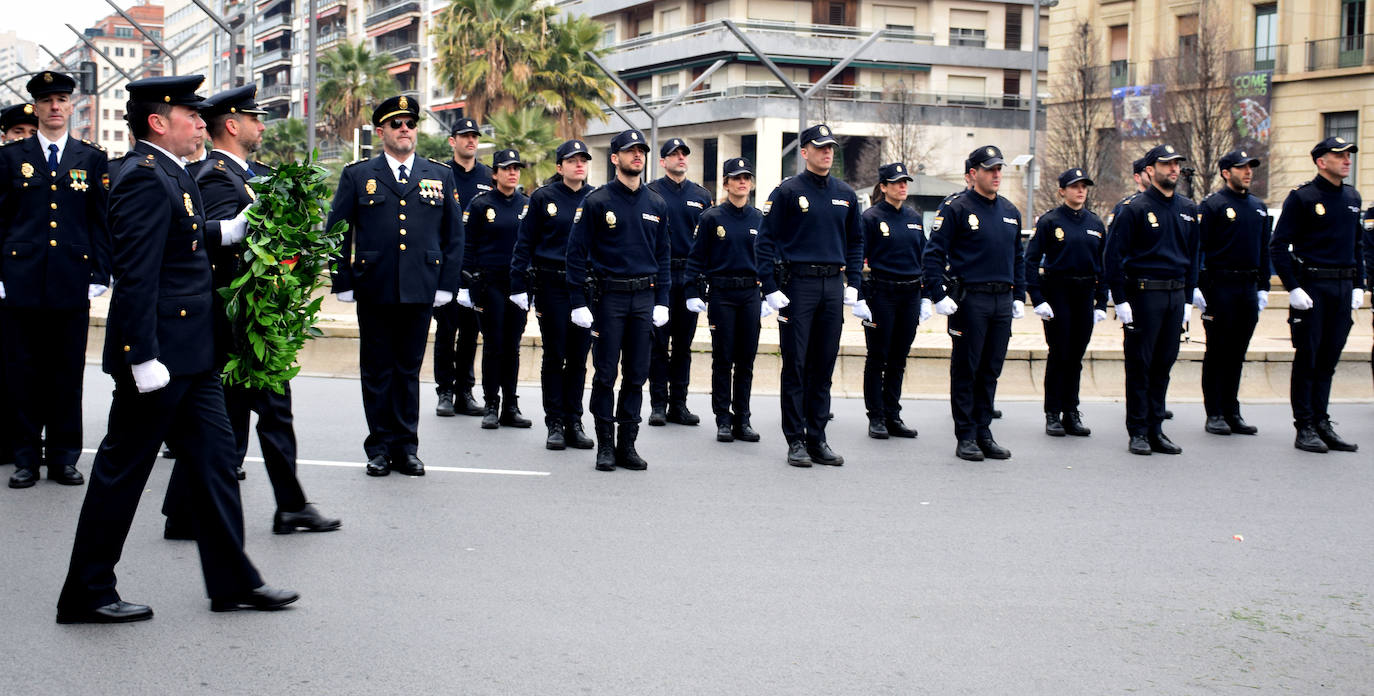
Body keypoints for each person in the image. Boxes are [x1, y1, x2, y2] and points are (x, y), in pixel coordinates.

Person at [57, 75, 297, 623]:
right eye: (190, 114)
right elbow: (136, 274)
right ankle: (87, 591)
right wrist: (141, 357)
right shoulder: (143, 177)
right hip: (161, 359)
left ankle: (233, 581)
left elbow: (182, 242)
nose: (199, 123)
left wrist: (228, 233)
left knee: (215, 467)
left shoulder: (172, 173)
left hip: (195, 355)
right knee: (122, 473)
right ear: (158, 122)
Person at [160, 84, 339, 537]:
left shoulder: (249, 173)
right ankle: (289, 507)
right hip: (237, 320)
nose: (263, 126)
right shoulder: (217, 177)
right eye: (256, 118)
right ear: (234, 125)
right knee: (262, 412)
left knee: (228, 418)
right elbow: (222, 251)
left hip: (249, 318)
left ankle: (186, 512)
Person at [326, 96, 463, 477]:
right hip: (375, 286)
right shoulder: (358, 175)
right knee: (376, 370)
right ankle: (379, 448)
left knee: (407, 370)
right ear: (381, 131)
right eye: (397, 123)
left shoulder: (439, 175)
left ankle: (407, 447)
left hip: (421, 287)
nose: (405, 129)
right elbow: (338, 230)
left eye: (411, 123)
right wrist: (343, 279)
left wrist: (445, 284)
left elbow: (454, 235)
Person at [0, 71, 111, 488]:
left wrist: (100, 273)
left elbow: (100, 220)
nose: (54, 106)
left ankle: (64, 456)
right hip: (20, 279)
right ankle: (26, 457)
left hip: (70, 278)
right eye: (47, 100)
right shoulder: (11, 157)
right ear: (36, 105)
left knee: (66, 372)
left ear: (71, 105)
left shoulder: (90, 157)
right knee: (22, 371)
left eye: (62, 99)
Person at [756, 124, 863, 467]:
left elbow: (856, 241)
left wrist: (855, 282)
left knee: (824, 365)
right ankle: (796, 440)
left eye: (830, 147)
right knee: (797, 364)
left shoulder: (846, 193)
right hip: (797, 285)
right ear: (804, 152)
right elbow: (765, 241)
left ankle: (818, 438)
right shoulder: (787, 191)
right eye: (819, 147)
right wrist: (770, 287)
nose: (827, 152)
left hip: (832, 285)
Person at [566, 128, 670, 471]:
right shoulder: (597, 201)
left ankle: (628, 445)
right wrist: (577, 300)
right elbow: (576, 254)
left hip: (644, 297)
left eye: (641, 150)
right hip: (608, 297)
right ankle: (605, 447)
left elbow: (664, 255)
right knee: (605, 375)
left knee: (637, 374)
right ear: (615, 158)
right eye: (630, 151)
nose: (637, 155)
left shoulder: (656, 202)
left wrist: (663, 301)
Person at [923, 145, 1025, 461]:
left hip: (1001, 299)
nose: (997, 174)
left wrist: (1019, 296)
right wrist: (938, 294)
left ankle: (984, 431)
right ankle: (965, 435)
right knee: (967, 369)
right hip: (971, 299)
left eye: (999, 169)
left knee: (990, 370)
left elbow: (1018, 258)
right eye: (990, 169)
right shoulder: (957, 208)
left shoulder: (1010, 211)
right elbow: (933, 254)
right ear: (972, 174)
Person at [1104, 144, 1200, 456]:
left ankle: (1157, 427)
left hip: (1174, 295)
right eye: (1166, 164)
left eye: (1176, 164)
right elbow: (1113, 256)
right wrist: (1120, 300)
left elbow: (1193, 256)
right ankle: (1139, 430)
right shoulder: (1134, 208)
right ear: (1149, 170)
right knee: (1140, 365)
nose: (1173, 169)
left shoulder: (1187, 208)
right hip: (1144, 295)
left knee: (1163, 364)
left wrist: (1188, 298)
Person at [1270, 136, 1363, 454]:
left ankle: (1322, 422)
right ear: (1321, 161)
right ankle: (1305, 425)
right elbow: (1279, 245)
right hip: (1314, 287)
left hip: (1341, 287)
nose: (1347, 160)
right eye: (1339, 155)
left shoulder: (1352, 197)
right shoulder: (1303, 197)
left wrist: (1359, 285)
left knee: (1328, 361)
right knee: (1308, 359)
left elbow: (1357, 245)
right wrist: (1293, 286)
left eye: (1349, 155)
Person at [509, 138, 595, 450]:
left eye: (583, 159)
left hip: (584, 287)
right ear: (560, 167)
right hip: (551, 284)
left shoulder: (595, 198)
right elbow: (525, 243)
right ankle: (555, 422)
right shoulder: (543, 197)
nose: (579, 164)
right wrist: (518, 284)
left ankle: (574, 419)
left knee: (578, 358)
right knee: (555, 354)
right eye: (572, 160)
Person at [684, 156, 767, 443]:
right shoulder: (711, 218)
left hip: (750, 295)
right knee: (723, 358)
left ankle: (742, 418)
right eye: (737, 177)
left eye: (747, 177)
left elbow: (769, 259)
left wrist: (769, 293)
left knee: (746, 360)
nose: (742, 182)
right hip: (721, 294)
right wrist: (690, 292)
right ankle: (722, 418)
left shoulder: (759, 219)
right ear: (726, 183)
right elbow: (695, 260)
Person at [1024, 168, 1108, 437]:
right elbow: (1030, 260)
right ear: (1062, 191)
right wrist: (1037, 298)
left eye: (1084, 186)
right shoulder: (1050, 222)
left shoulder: (1095, 223)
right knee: (1059, 354)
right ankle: (1053, 413)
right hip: (1058, 291)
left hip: (1084, 292)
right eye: (1074, 186)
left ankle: (1071, 411)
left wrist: (1101, 302)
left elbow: (1103, 265)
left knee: (1076, 357)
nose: (1080, 190)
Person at [1196, 149, 1271, 436]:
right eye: (1241, 168)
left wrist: (1263, 286)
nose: (1248, 172)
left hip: (1247, 287)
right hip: (1221, 285)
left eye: (1250, 167)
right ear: (1226, 172)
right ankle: (1214, 411)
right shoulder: (1213, 205)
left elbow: (1264, 250)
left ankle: (1231, 409)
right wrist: (1201, 288)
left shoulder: (1258, 206)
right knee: (1218, 352)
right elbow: (1200, 249)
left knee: (1238, 352)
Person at [459, 148, 531, 429]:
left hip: (518, 284)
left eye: (516, 168)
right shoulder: (480, 204)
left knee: (512, 346)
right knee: (494, 345)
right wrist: (465, 283)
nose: (512, 173)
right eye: (507, 168)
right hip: (489, 283)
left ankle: (511, 405)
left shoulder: (527, 205)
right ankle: (491, 403)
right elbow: (468, 245)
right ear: (495, 173)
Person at [858, 162, 926, 440]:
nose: (902, 187)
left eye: (905, 182)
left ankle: (892, 413)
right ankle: (876, 417)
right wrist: (861, 295)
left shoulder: (914, 217)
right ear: (883, 187)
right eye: (896, 182)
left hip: (910, 293)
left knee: (899, 357)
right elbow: (858, 259)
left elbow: (923, 256)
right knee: (878, 356)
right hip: (881, 292)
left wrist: (927, 295)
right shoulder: (871, 218)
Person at [647, 137, 712, 427]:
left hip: (688, 276)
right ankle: (658, 404)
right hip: (660, 275)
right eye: (674, 155)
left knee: (684, 345)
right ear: (663, 162)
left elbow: (708, 240)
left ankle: (680, 404)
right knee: (658, 344)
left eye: (684, 154)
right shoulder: (650, 192)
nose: (680, 158)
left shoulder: (701, 195)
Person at [433, 118, 489, 418]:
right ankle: (445, 390)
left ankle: (465, 391)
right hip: (446, 267)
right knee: (446, 329)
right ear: (452, 141)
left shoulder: (488, 176)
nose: (470, 141)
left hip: (477, 270)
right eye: (464, 136)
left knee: (470, 331)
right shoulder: (439, 174)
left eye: (474, 137)